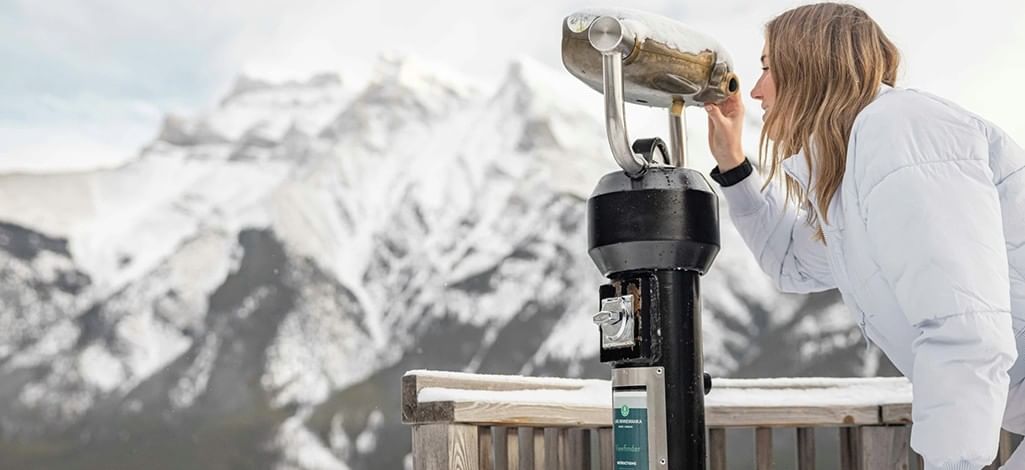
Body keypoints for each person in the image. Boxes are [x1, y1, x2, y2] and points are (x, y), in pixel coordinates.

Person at [702, 3, 1025, 469]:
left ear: (808, 65)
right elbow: (790, 264)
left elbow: (965, 327)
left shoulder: (901, 133)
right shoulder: (855, 174)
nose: (755, 91)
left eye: (768, 68)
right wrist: (733, 164)